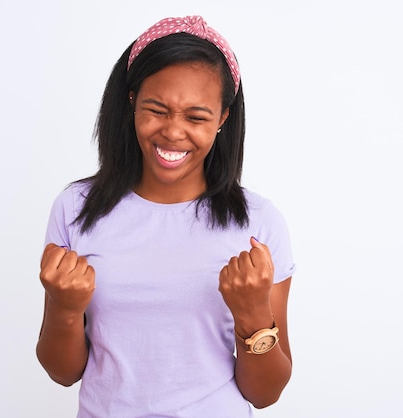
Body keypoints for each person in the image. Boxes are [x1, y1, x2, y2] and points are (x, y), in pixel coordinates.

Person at [36, 15, 296, 418]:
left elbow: (265, 395)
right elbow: (63, 372)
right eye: (156, 109)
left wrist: (252, 315)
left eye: (196, 117)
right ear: (131, 99)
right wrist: (64, 308)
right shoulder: (76, 209)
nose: (174, 133)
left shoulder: (258, 224)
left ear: (223, 118)